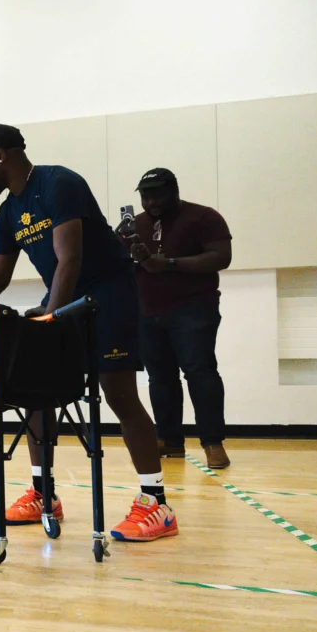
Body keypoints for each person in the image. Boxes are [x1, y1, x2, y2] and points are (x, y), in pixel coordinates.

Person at [0, 124, 177, 543]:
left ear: (2, 155)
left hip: (107, 297)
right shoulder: (8, 213)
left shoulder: (60, 183)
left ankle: (157, 503)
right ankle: (44, 494)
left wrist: (51, 317)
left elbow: (69, 258)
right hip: (63, 300)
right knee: (37, 391)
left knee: (118, 394)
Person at [120, 168, 232, 469]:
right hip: (147, 312)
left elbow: (221, 257)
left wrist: (169, 264)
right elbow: (118, 269)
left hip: (193, 310)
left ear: (174, 191)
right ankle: (169, 441)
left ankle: (212, 443)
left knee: (200, 372)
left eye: (157, 194)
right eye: (145, 196)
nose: (151, 201)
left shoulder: (204, 217)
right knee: (160, 378)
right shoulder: (133, 225)